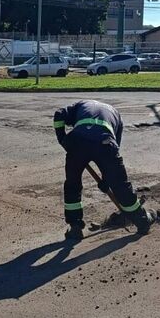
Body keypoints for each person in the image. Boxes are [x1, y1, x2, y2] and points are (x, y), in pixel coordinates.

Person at [54, 100, 154, 241]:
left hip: (77, 143)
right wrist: (108, 179)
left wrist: (62, 138)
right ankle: (142, 221)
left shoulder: (79, 106)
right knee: (120, 185)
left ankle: (75, 228)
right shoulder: (116, 115)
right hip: (105, 142)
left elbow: (59, 114)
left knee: (72, 185)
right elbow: (113, 151)